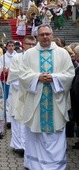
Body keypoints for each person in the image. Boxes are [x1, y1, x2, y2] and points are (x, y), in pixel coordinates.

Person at [18, 24, 75, 170]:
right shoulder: (29, 54)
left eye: (47, 34)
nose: (45, 37)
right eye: (42, 34)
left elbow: (70, 74)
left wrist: (54, 78)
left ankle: (55, 165)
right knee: (35, 134)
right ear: (37, 36)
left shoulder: (62, 53)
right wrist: (37, 78)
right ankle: (34, 164)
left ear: (52, 34)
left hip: (55, 102)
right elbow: (22, 75)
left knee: (55, 134)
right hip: (36, 103)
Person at [7, 35, 36, 157]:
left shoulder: (37, 58)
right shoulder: (16, 58)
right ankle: (19, 146)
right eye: (28, 44)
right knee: (18, 120)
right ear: (23, 45)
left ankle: (30, 146)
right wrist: (29, 81)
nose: (31, 47)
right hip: (19, 94)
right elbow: (13, 77)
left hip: (34, 94)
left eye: (33, 44)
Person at [0, 40, 17, 129]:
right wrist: (3, 70)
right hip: (6, 81)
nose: (11, 47)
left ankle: (14, 118)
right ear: (6, 47)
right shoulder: (2, 57)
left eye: (12, 45)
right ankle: (8, 120)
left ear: (14, 47)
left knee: (14, 100)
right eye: (9, 45)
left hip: (15, 81)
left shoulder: (17, 56)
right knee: (7, 100)